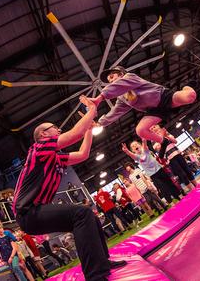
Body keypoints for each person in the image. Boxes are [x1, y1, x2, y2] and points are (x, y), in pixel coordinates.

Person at [12, 96, 127, 281]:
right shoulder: (38, 148)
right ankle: (96, 275)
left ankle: (103, 262)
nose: (59, 129)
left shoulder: (55, 157)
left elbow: (82, 154)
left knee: (89, 217)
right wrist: (92, 110)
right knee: (81, 213)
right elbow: (74, 134)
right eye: (55, 128)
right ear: (43, 134)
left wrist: (89, 130)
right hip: (28, 213)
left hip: (36, 212)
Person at [86, 66, 196, 147]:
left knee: (190, 96)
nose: (111, 81)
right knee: (140, 130)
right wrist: (99, 123)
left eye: (112, 77)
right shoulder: (121, 98)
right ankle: (163, 141)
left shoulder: (130, 77)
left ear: (121, 74)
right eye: (109, 81)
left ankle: (188, 85)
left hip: (163, 97)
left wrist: (99, 98)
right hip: (153, 111)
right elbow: (115, 112)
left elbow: (118, 86)